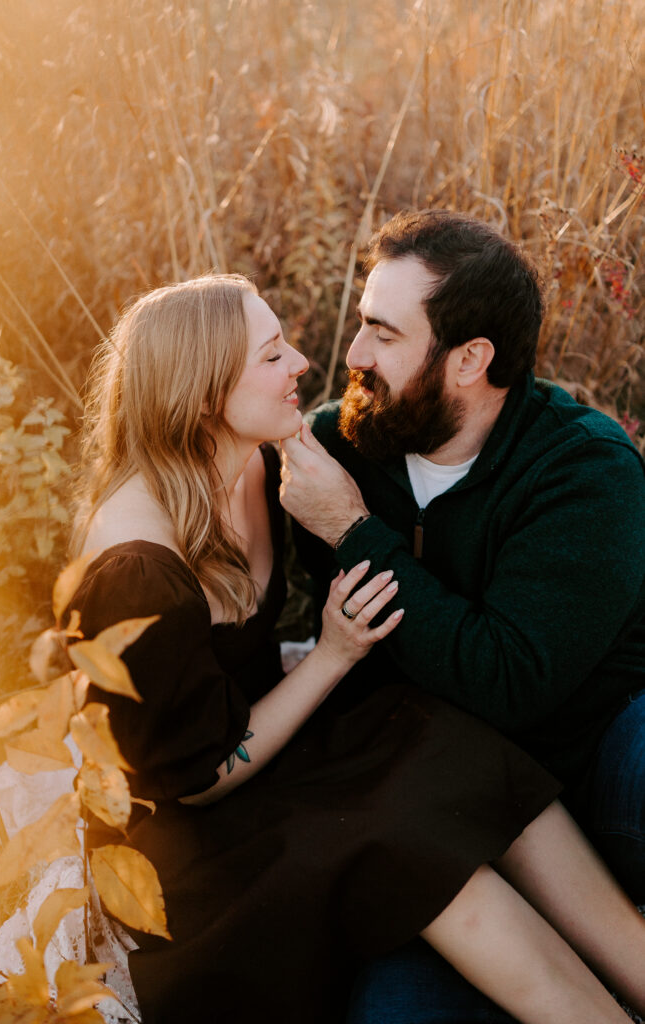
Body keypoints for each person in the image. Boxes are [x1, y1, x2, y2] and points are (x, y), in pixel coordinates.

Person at [68, 273, 645, 1024]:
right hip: (200, 831)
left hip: (278, 742)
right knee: (407, 838)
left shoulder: (255, 464)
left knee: (443, 738)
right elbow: (198, 775)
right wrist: (333, 653)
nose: (305, 362)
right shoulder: (133, 567)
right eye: (272, 355)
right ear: (206, 393)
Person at [279, 209, 645, 1023]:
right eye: (361, 322)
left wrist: (350, 532)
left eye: (383, 332)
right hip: (436, 818)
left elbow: (507, 685)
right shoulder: (335, 450)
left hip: (591, 769)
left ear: (470, 358)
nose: (354, 355)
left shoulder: (582, 471)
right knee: (395, 1014)